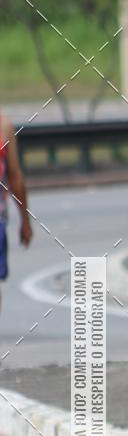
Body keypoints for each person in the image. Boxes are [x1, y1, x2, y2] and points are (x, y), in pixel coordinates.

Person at [0, 112, 33, 311]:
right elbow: (15, 178)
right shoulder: (3, 125)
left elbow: (15, 179)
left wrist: (25, 221)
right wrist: (25, 221)